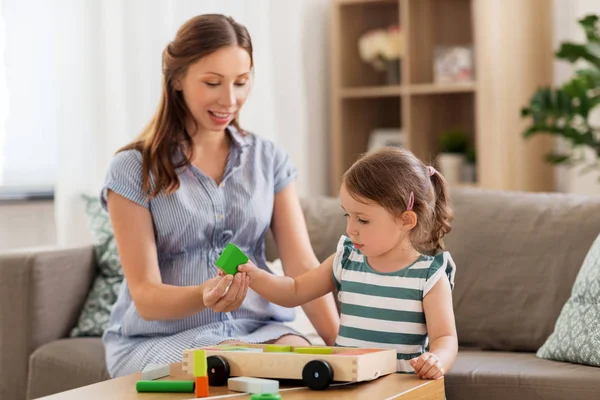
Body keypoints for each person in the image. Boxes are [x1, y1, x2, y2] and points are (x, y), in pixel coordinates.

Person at [101, 14, 339, 378]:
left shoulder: (268, 158)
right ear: (178, 78)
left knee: (309, 365)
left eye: (241, 82)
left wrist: (345, 350)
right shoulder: (133, 169)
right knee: (230, 366)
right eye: (213, 82)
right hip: (160, 337)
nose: (230, 99)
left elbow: (302, 267)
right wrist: (203, 296)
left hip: (258, 329)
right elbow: (146, 296)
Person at [239, 147, 458, 379]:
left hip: (402, 388)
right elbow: (294, 291)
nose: (350, 229)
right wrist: (253, 275)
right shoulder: (346, 260)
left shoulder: (429, 276)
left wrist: (437, 360)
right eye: (348, 216)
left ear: (406, 220)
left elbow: (445, 338)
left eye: (362, 220)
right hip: (349, 384)